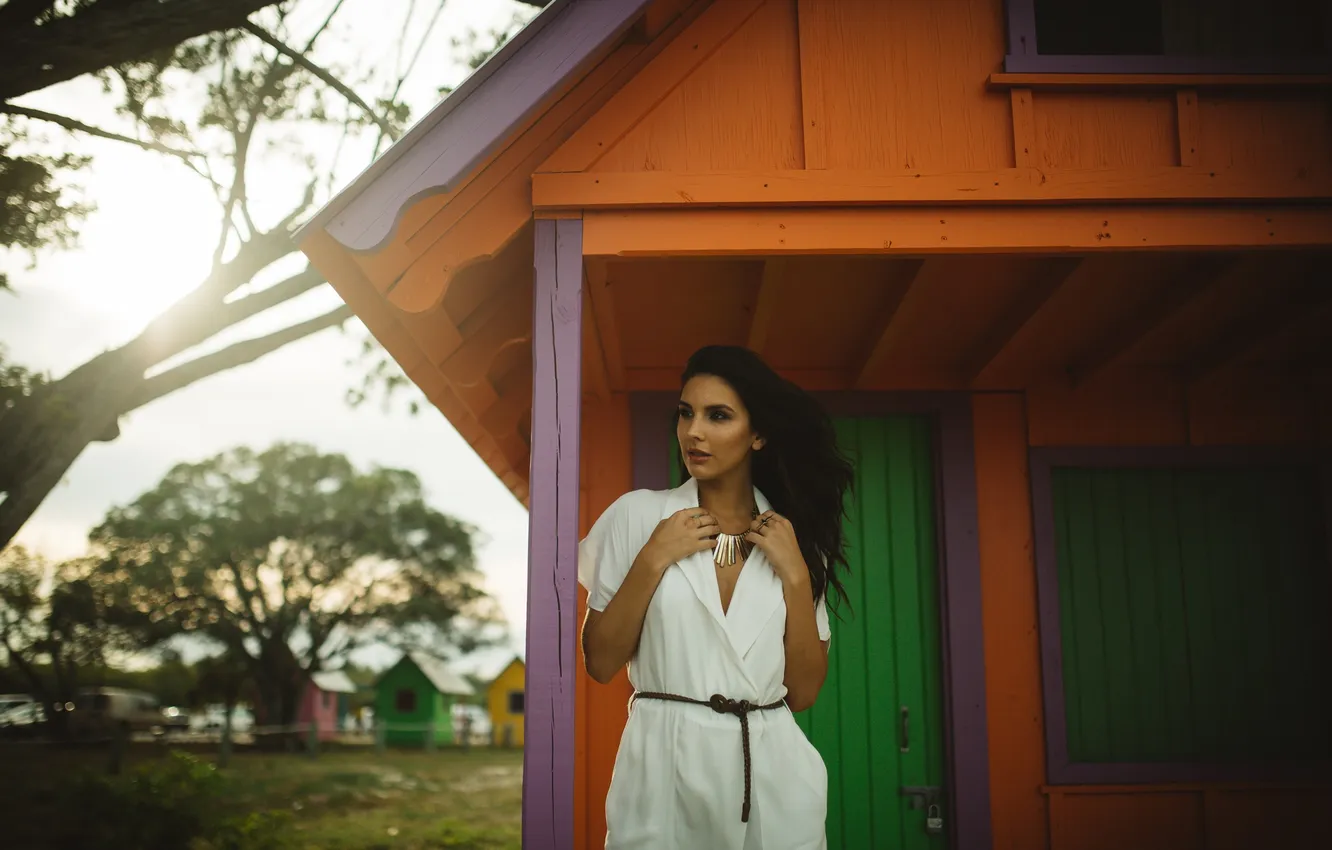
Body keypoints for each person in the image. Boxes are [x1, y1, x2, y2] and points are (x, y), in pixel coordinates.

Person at [578, 344, 855, 850]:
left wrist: (795, 576)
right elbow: (600, 661)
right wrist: (653, 558)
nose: (693, 431)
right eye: (686, 413)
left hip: (772, 778)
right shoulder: (638, 517)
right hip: (663, 769)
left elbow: (804, 693)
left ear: (758, 434)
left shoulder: (794, 541)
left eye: (717, 415)